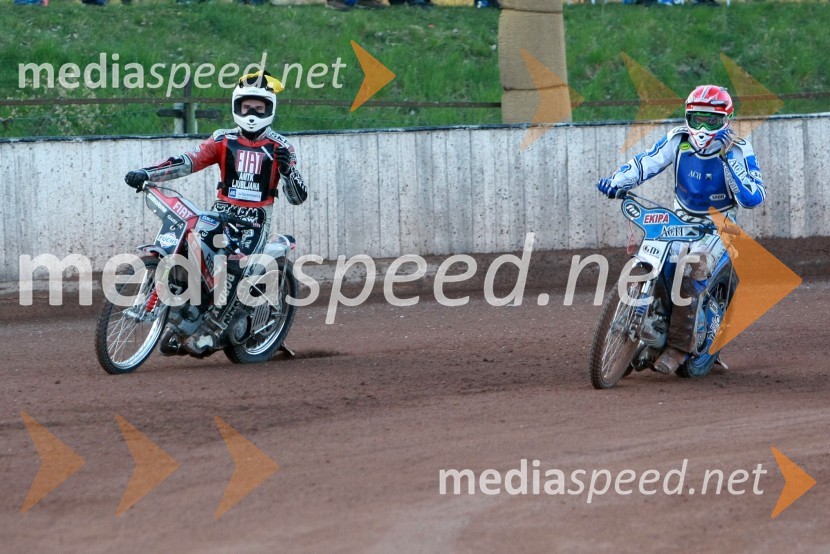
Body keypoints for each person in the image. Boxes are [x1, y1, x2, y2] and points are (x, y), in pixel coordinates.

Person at [124, 70, 307, 353]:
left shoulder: (281, 147)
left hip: (255, 222)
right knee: (190, 244)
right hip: (220, 214)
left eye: (259, 107)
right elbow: (188, 161)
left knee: (234, 264)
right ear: (237, 106)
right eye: (247, 106)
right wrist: (147, 173)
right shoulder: (223, 140)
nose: (252, 112)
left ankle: (214, 329)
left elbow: (297, 197)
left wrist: (287, 170)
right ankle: (193, 310)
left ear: (270, 107)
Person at [596, 84, 765, 374]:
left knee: (693, 269)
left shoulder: (738, 149)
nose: (702, 126)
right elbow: (646, 162)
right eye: (697, 118)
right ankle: (647, 325)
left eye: (710, 120)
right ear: (688, 116)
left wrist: (726, 160)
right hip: (679, 218)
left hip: (719, 227)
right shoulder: (678, 139)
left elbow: (753, 198)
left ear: (726, 119)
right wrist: (617, 181)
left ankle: (677, 348)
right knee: (655, 262)